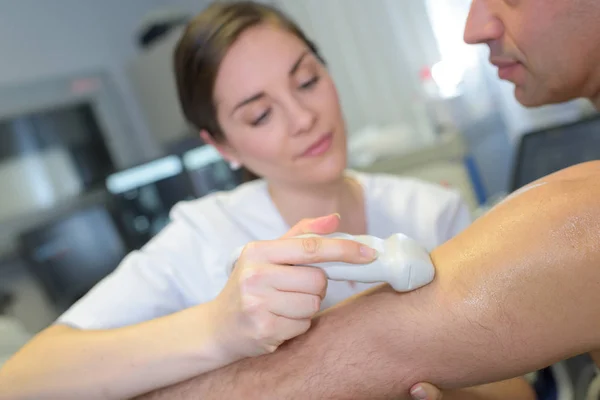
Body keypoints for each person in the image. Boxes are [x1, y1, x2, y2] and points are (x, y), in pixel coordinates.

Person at [0, 2, 523, 400]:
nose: (303, 118)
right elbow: (22, 379)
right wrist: (217, 328)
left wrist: (450, 387)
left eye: (307, 80)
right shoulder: (205, 234)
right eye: (259, 115)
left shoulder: (430, 210)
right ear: (222, 145)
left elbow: (517, 384)